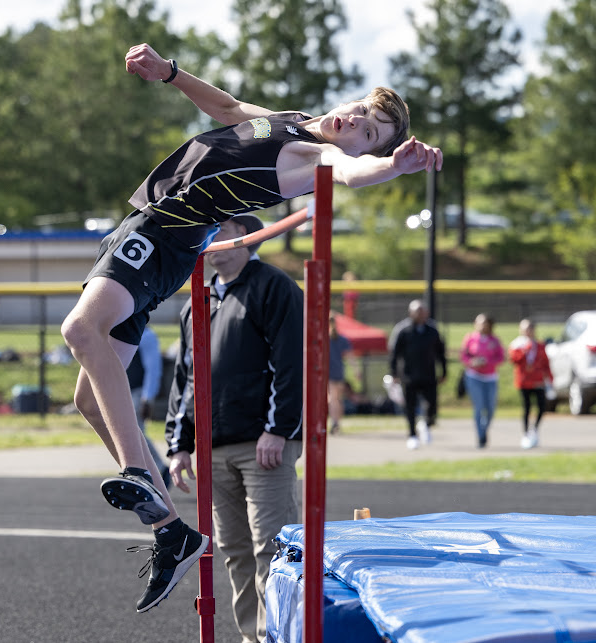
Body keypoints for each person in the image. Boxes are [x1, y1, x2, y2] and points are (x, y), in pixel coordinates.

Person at [59, 42, 443, 613]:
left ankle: (139, 471)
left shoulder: (312, 160)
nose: (358, 123)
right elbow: (231, 110)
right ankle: (171, 530)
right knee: (90, 397)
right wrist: (170, 74)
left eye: (370, 131)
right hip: (152, 230)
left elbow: (352, 173)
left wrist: (392, 164)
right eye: (363, 111)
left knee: (80, 332)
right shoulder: (292, 124)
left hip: (163, 235)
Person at [165, 215, 303, 643]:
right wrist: (180, 443)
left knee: (273, 548)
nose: (209, 239)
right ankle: (253, 635)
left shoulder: (273, 287)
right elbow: (187, 379)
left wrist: (278, 429)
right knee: (234, 551)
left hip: (262, 444)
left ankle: (280, 635)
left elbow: (291, 362)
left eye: (219, 230)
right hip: (213, 448)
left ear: (247, 237)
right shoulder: (197, 302)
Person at [388, 300, 447, 450]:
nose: (421, 315)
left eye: (423, 311)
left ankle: (426, 423)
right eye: (417, 312)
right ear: (411, 313)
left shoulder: (432, 330)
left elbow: (441, 352)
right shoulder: (403, 330)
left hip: (429, 374)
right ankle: (412, 435)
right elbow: (394, 353)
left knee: (432, 405)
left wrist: (444, 371)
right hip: (409, 376)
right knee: (410, 407)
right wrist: (394, 372)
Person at [126, 326, 170, 487]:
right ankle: (143, 471)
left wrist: (148, 398)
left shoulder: (146, 335)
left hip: (137, 393)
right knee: (130, 435)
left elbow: (153, 369)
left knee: (136, 434)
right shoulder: (121, 330)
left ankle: (158, 469)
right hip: (124, 392)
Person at [460, 313, 505, 448]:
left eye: (484, 323)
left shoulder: (494, 340)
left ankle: (484, 429)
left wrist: (488, 362)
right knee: (479, 407)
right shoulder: (470, 338)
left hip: (490, 377)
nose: (482, 326)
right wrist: (472, 362)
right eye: (479, 323)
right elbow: (463, 356)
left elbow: (501, 357)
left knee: (490, 408)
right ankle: (480, 436)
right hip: (474, 376)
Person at [509, 319, 553, 449]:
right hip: (524, 381)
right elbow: (514, 360)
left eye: (530, 328)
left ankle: (534, 429)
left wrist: (550, 379)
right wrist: (524, 350)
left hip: (538, 380)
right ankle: (526, 433)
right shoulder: (517, 344)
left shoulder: (539, 345)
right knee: (527, 407)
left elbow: (545, 363)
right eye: (525, 329)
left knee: (541, 406)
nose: (528, 331)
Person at [328, 313, 353, 435]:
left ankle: (335, 423)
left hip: (330, 371)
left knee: (333, 399)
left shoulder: (325, 338)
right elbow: (350, 357)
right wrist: (356, 370)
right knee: (337, 399)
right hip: (339, 371)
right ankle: (337, 422)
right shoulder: (342, 339)